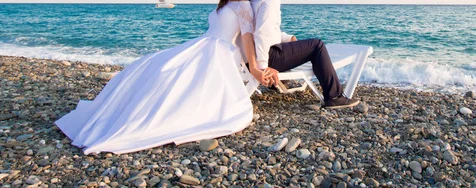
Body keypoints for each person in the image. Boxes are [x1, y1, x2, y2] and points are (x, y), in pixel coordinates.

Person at [55, 0, 271, 154]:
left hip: (219, 51)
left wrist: (254, 68)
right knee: (154, 65)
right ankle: (127, 113)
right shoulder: (224, 3)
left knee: (172, 74)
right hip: (202, 44)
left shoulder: (243, 5)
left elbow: (247, 38)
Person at [249, 0, 360, 109]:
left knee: (295, 46)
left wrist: (288, 38)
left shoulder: (254, 2)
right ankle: (334, 97)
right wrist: (263, 67)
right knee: (317, 46)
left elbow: (263, 31)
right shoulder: (269, 2)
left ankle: (278, 83)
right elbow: (261, 34)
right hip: (267, 57)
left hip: (254, 57)